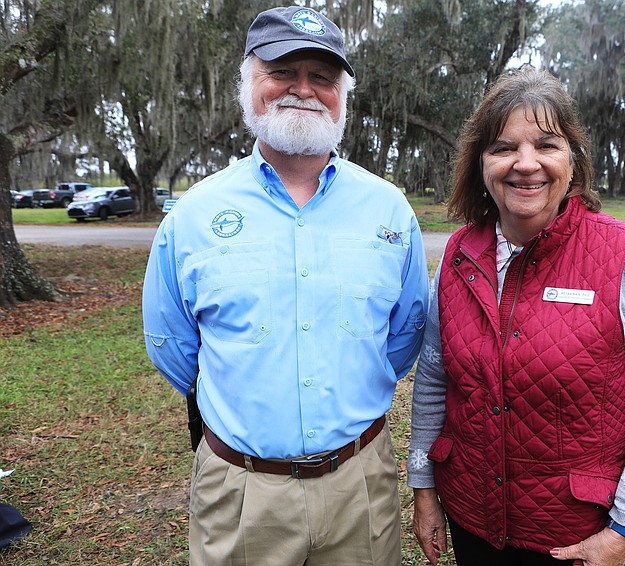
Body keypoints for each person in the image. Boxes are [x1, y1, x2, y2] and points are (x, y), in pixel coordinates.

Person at [142, 6, 429, 565]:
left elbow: (403, 336)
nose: (303, 89)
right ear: (247, 84)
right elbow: (173, 346)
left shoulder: (389, 209)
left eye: (321, 77)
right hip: (242, 490)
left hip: (360, 483)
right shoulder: (194, 216)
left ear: (343, 94)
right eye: (282, 71)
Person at [407, 68, 625, 566]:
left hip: (582, 540)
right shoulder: (457, 254)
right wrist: (425, 491)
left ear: (573, 159)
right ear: (480, 163)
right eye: (503, 148)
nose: (525, 164)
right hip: (473, 522)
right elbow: (434, 381)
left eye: (546, 144)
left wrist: (624, 529)